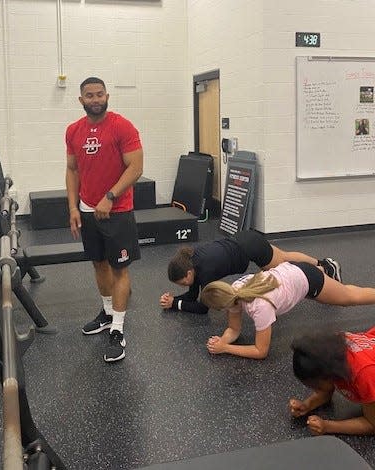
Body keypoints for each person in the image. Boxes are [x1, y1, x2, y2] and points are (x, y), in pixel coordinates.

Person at [65, 77, 143, 362]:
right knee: (98, 263)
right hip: (87, 209)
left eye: (99, 94)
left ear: (107, 96)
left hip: (118, 209)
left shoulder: (122, 126)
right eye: (89, 95)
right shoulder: (73, 131)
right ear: (81, 99)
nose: (95, 99)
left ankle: (118, 330)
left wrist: (110, 196)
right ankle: (108, 313)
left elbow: (136, 166)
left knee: (119, 269)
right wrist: (73, 206)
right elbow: (72, 170)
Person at [201, 260, 375, 359]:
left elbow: (261, 351)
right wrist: (223, 340)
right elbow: (233, 329)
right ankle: (325, 269)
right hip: (291, 271)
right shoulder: (234, 291)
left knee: (350, 297)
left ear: (223, 305)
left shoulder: (260, 307)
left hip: (307, 279)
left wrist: (226, 348)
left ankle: (325, 271)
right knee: (342, 291)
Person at [160, 230, 342, 314]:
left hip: (251, 248)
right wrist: (174, 300)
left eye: (183, 282)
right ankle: (324, 264)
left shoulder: (205, 272)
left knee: (288, 266)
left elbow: (202, 307)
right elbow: (193, 293)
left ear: (189, 272)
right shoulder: (192, 257)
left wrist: (176, 305)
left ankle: (323, 270)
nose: (185, 285)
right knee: (285, 257)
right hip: (245, 238)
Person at [289, 329, 375, 436]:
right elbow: (326, 390)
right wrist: (307, 405)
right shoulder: (330, 351)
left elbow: (372, 424)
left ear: (327, 376)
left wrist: (328, 426)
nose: (316, 390)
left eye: (316, 386)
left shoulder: (365, 375)